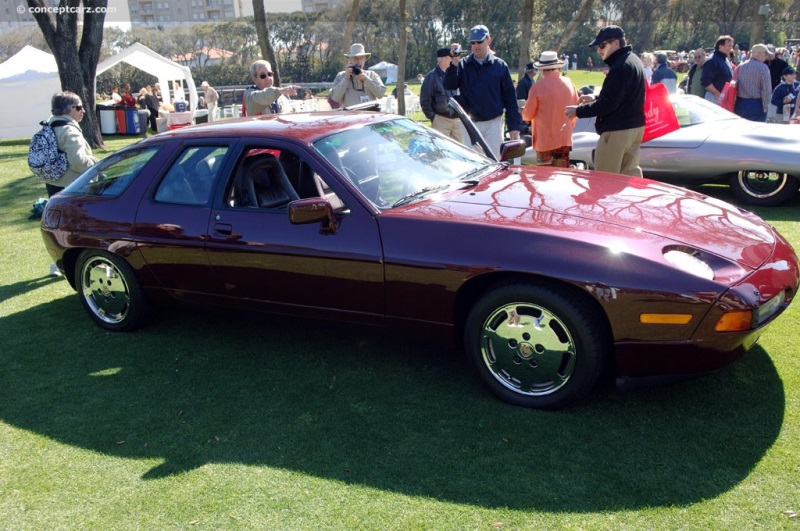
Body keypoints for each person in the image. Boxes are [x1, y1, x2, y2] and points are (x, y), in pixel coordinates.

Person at [565, 25, 646, 177]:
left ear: (616, 43)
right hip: (635, 128)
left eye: (602, 45)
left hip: (617, 131)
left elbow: (609, 104)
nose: (599, 50)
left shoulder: (620, 66)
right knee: (630, 179)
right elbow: (622, 96)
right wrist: (595, 98)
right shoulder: (633, 60)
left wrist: (578, 111)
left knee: (605, 181)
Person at [443, 24, 522, 158]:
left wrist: (514, 126)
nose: (476, 45)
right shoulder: (463, 64)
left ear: (488, 40)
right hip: (470, 124)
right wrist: (454, 62)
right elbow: (449, 84)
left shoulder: (500, 66)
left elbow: (510, 99)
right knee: (473, 164)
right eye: (473, 42)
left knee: (495, 162)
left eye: (479, 41)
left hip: (493, 123)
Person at [521, 51, 579, 167]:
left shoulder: (537, 88)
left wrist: (523, 110)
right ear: (557, 67)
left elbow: (527, 115)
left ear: (542, 70)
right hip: (564, 138)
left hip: (544, 140)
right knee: (562, 175)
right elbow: (576, 108)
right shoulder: (569, 83)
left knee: (545, 178)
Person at [45, 91, 98, 197]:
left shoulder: (49, 127)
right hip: (72, 185)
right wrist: (97, 164)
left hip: (52, 182)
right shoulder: (69, 131)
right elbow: (78, 162)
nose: (83, 110)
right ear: (67, 109)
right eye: (79, 107)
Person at [420, 47, 464, 143]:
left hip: (457, 120)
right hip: (441, 119)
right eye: (450, 57)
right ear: (443, 59)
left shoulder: (454, 74)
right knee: (441, 149)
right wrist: (434, 117)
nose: (453, 60)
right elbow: (425, 100)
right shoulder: (431, 77)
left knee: (461, 149)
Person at [330, 43, 386, 107]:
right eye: (355, 58)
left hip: (368, 115)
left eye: (361, 58)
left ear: (365, 59)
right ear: (350, 60)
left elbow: (380, 94)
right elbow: (335, 98)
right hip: (351, 115)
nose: (359, 61)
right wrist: (346, 79)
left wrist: (366, 79)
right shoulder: (341, 76)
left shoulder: (372, 75)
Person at [734, 43, 772, 122]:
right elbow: (766, 89)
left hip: (740, 103)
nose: (766, 56)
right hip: (755, 104)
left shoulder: (740, 66)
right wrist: (765, 106)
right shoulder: (763, 68)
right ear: (759, 53)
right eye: (765, 54)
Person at [701, 35, 734, 104]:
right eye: (728, 46)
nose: (730, 48)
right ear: (720, 46)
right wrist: (719, 95)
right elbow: (706, 82)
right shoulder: (712, 60)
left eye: (731, 46)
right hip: (714, 98)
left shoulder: (724, 59)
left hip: (724, 97)